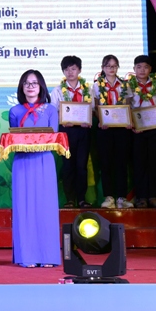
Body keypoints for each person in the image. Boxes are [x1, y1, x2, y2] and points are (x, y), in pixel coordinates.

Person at [9, 70, 61, 268]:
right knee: (24, 208)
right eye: (26, 83)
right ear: (21, 87)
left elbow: (54, 136)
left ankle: (48, 256)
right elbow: (14, 138)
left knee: (45, 208)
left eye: (34, 83)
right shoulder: (15, 111)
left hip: (44, 161)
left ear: (41, 87)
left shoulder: (50, 109)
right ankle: (27, 256)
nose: (30, 87)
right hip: (22, 162)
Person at [49, 56, 92, 208]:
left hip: (83, 131)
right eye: (66, 69)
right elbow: (53, 110)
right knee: (67, 166)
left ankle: (81, 199)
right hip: (66, 131)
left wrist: (88, 120)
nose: (70, 72)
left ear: (79, 70)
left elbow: (92, 109)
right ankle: (69, 200)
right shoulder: (57, 90)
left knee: (81, 166)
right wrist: (62, 121)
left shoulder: (87, 89)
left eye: (73, 69)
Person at [93, 55, 133, 209]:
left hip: (122, 129)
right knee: (106, 163)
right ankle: (109, 197)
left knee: (121, 163)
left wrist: (128, 120)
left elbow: (128, 106)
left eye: (114, 66)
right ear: (103, 68)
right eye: (108, 66)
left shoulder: (124, 85)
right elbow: (96, 107)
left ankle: (122, 197)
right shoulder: (97, 86)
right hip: (105, 129)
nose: (111, 69)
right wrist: (102, 120)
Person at [128, 55, 156, 208]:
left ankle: (153, 197)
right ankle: (141, 197)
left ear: (150, 69)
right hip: (137, 129)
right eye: (139, 67)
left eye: (145, 67)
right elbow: (127, 106)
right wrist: (131, 123)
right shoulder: (128, 86)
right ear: (134, 69)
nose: (142, 70)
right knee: (139, 163)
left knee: (153, 163)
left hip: (155, 128)